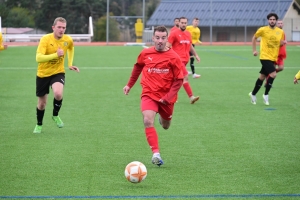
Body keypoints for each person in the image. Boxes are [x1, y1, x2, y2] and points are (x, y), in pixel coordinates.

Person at [123, 26, 184, 167]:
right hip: (149, 93)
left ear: (167, 39)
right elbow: (138, 67)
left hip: (166, 98)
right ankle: (156, 154)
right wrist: (129, 85)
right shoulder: (146, 53)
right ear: (153, 38)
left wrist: (168, 98)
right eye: (157, 37)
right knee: (147, 120)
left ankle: (162, 118)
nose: (160, 41)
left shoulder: (173, 57)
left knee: (166, 125)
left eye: (163, 38)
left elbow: (179, 80)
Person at [33, 17, 80, 134]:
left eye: (63, 27)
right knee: (42, 104)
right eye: (59, 27)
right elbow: (38, 58)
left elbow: (71, 48)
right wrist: (55, 55)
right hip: (43, 74)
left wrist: (69, 64)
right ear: (53, 27)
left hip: (58, 72)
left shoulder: (68, 39)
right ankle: (39, 124)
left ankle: (55, 115)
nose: (61, 30)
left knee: (58, 93)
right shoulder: (45, 39)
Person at [249, 13, 285, 106]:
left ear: (276, 21)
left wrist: (282, 43)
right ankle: (266, 95)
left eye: (273, 19)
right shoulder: (263, 30)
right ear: (268, 20)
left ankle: (253, 94)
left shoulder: (280, 32)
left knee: (262, 77)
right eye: (270, 19)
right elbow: (254, 38)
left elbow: (277, 43)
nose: (272, 21)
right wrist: (254, 50)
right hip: (264, 57)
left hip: (273, 57)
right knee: (273, 74)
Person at [167, 16, 200, 104]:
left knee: (177, 79)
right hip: (177, 60)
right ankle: (191, 97)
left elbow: (190, 46)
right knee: (185, 77)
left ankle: (171, 97)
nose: (184, 24)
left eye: (185, 23)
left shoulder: (188, 34)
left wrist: (196, 55)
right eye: (182, 23)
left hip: (185, 60)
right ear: (179, 23)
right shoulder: (174, 33)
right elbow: (168, 46)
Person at [265, 20, 287, 86]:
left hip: (280, 54)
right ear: (276, 24)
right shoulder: (275, 32)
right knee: (273, 69)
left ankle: (268, 75)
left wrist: (284, 42)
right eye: (279, 23)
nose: (280, 24)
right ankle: (268, 83)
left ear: (283, 25)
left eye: (281, 23)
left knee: (281, 68)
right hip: (274, 54)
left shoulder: (282, 32)